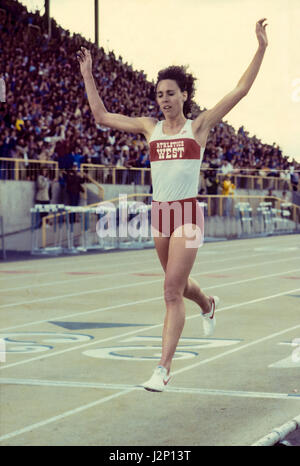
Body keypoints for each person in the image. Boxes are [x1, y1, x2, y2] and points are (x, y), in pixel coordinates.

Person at [77, 18, 268, 392]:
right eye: (159, 94)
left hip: (186, 214)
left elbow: (240, 89)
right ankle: (209, 303)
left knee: (169, 292)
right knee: (177, 287)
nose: (163, 99)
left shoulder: (198, 128)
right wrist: (87, 73)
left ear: (184, 95)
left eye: (170, 93)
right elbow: (101, 117)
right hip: (159, 213)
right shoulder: (149, 127)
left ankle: (162, 369)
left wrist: (260, 47)